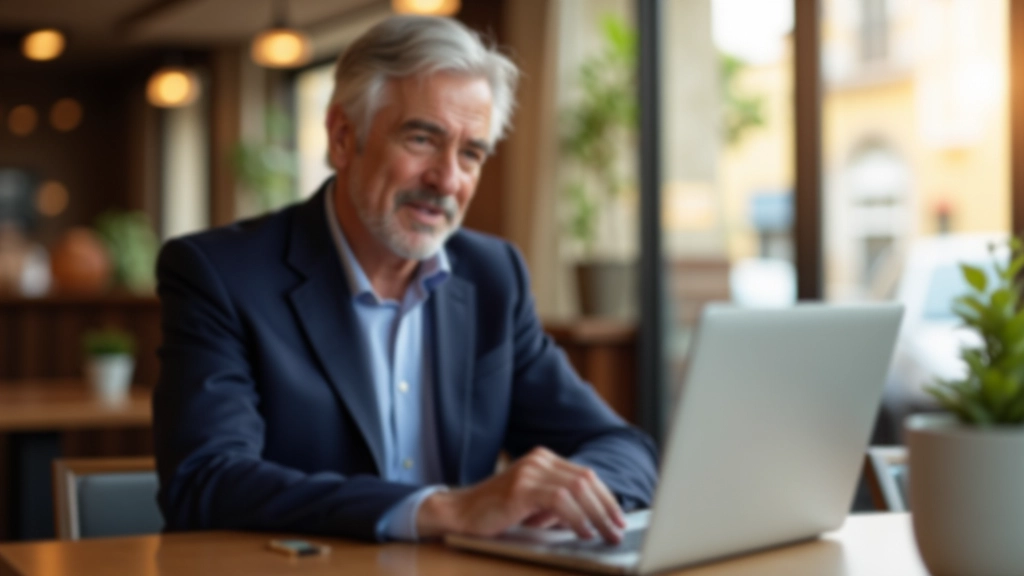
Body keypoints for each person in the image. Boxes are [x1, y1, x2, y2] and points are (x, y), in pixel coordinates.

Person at [153, 15, 658, 544]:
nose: (448, 179)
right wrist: (440, 510)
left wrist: (565, 499)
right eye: (422, 139)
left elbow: (623, 447)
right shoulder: (220, 274)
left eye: (471, 153)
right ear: (343, 137)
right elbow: (204, 481)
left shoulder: (492, 276)